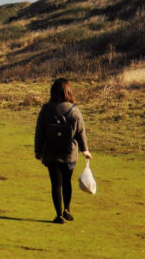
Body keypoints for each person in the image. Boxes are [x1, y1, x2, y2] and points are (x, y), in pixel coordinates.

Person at [34, 77, 92, 224]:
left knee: (56, 184)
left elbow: (39, 131)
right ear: (68, 91)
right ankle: (67, 209)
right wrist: (85, 150)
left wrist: (38, 151)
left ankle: (58, 214)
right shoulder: (74, 110)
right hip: (69, 154)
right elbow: (81, 132)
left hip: (51, 153)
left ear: (53, 91)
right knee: (67, 182)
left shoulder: (46, 109)